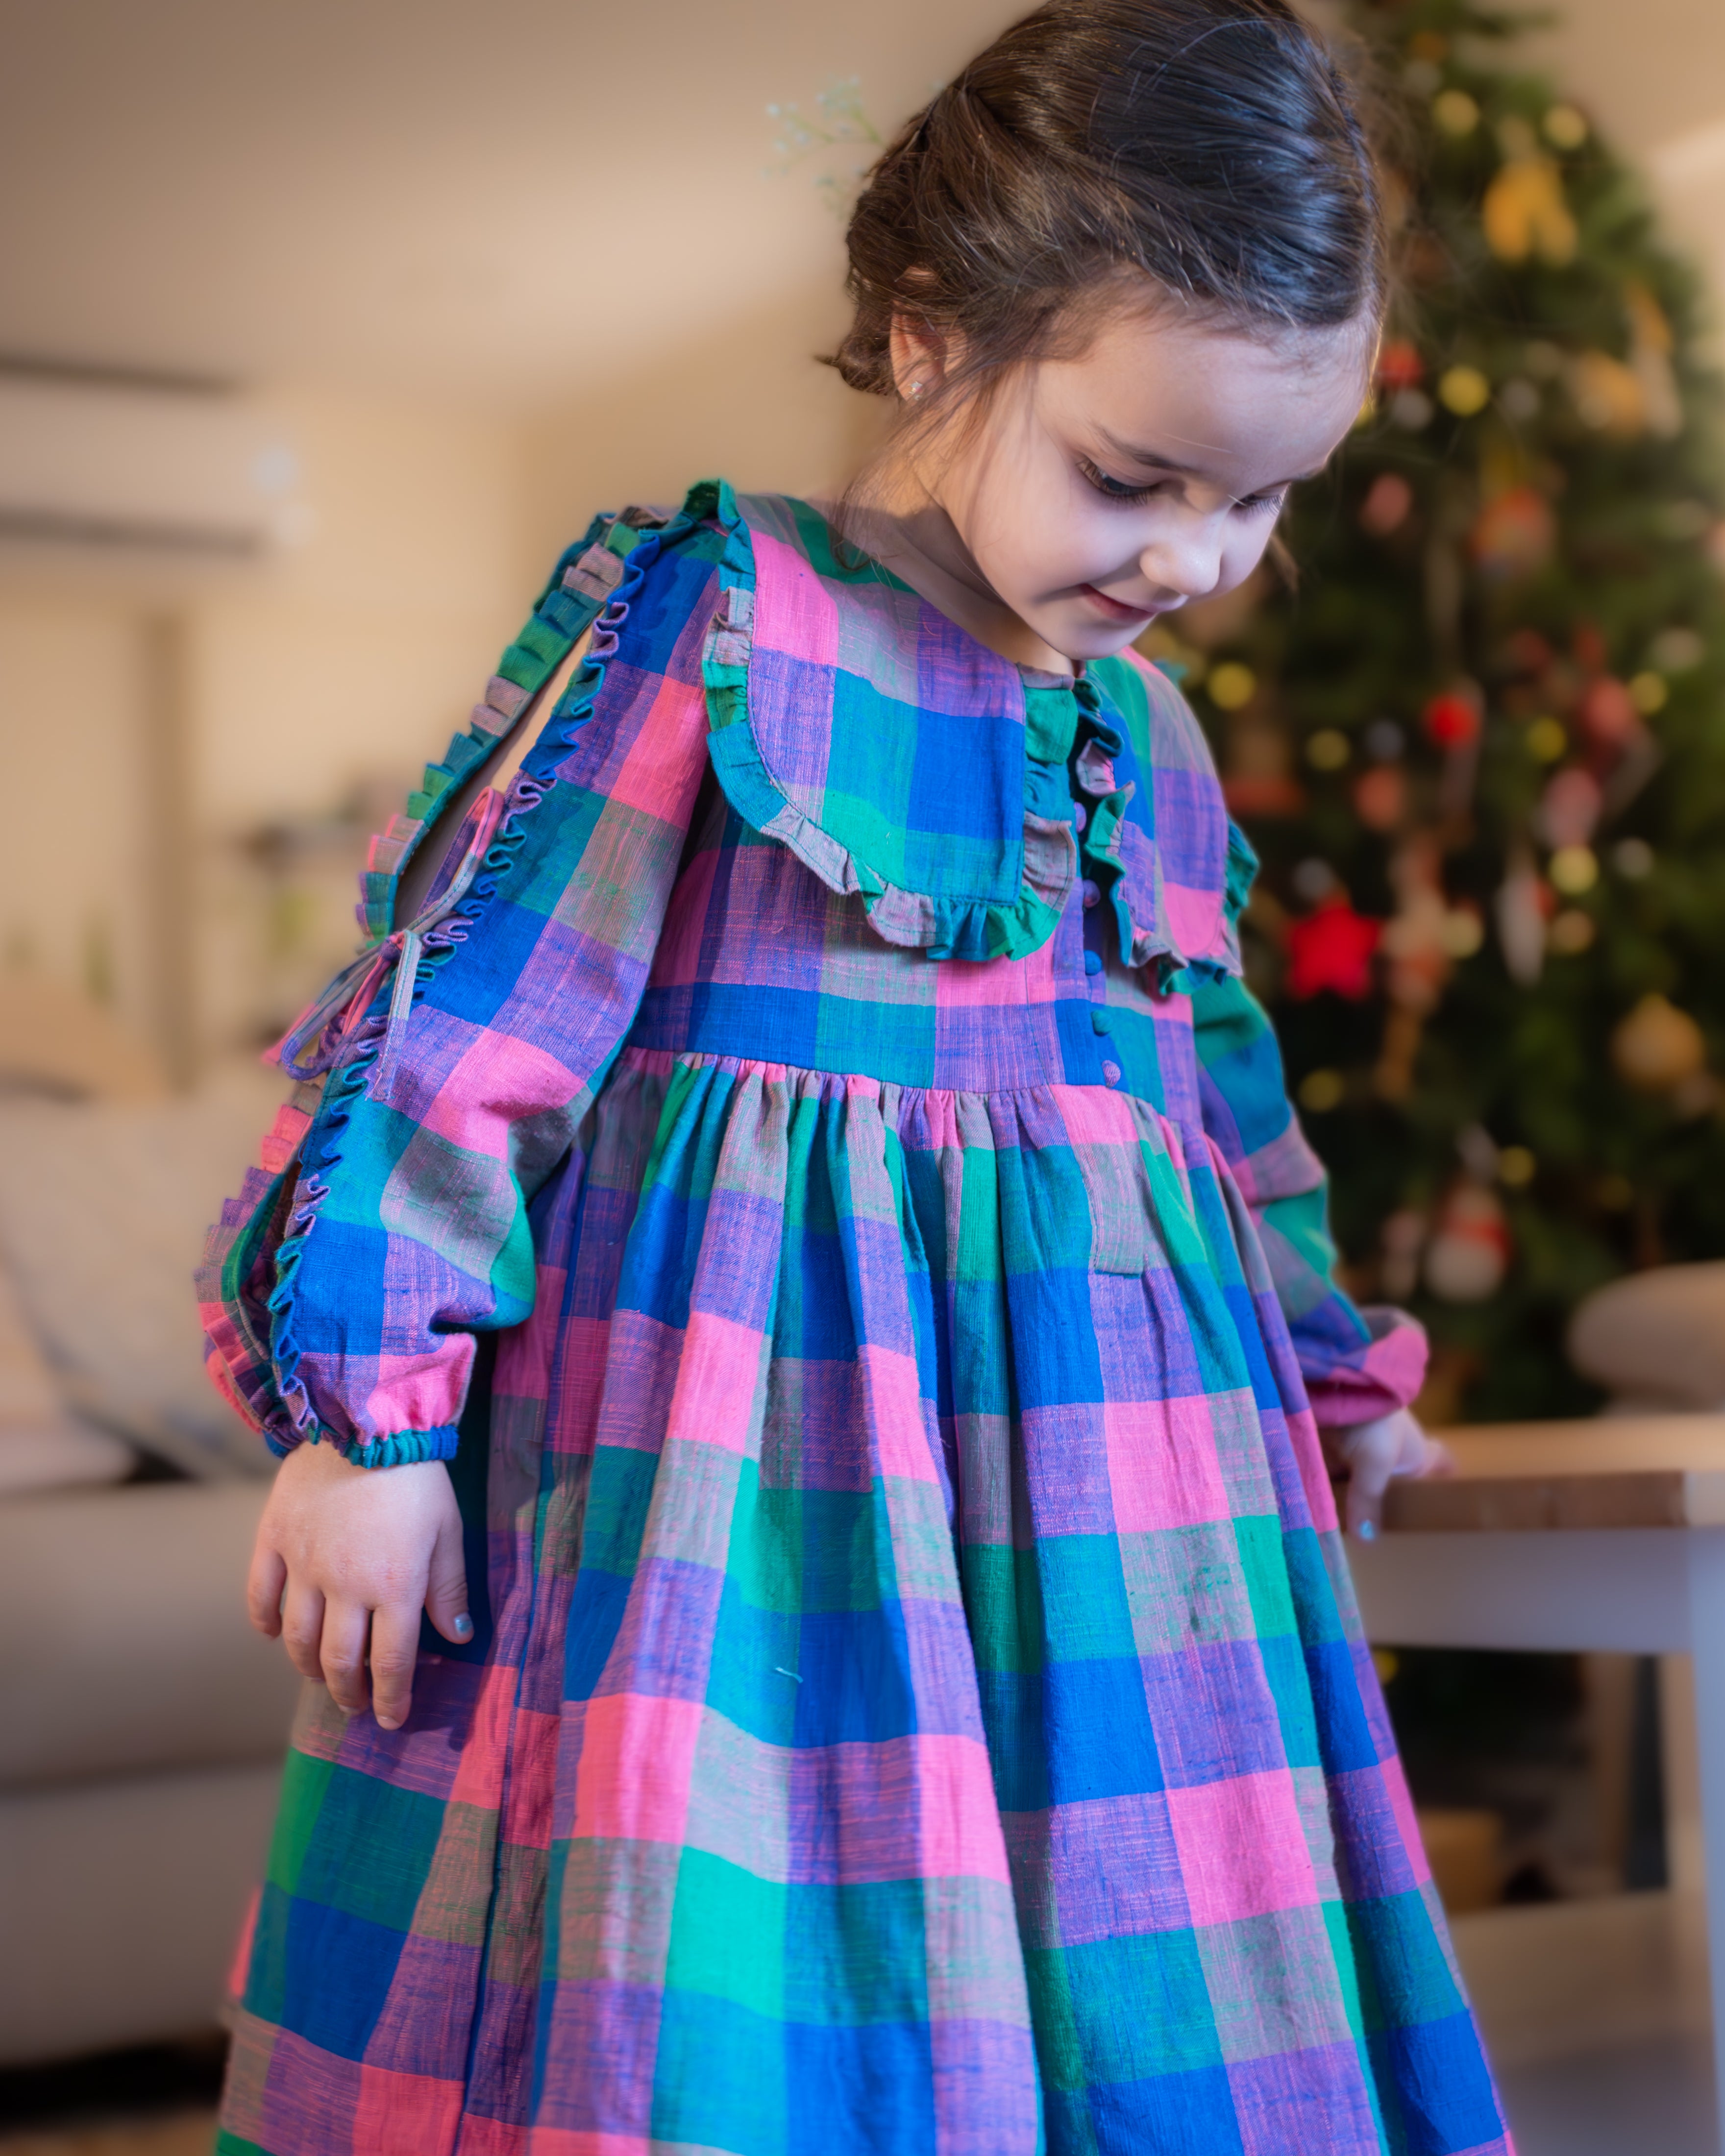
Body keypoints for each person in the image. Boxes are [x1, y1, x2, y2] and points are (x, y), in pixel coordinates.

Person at [200, 1, 1502, 2148]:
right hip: (751, 1468)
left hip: (1120, 1501)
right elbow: (473, 1014)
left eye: (1259, 501)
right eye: (1132, 477)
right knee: (745, 2010)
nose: (1190, 560)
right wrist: (370, 1420)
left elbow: (1214, 1106)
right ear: (928, 337)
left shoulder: (1150, 737)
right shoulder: (730, 618)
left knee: (1143, 1977)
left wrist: (1332, 1366)